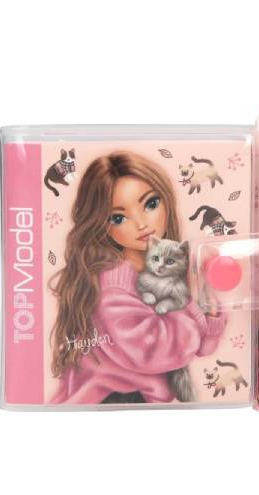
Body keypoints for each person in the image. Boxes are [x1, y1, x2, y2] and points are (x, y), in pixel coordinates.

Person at [48, 151, 226, 404]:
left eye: (151, 204)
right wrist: (190, 301)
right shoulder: (113, 287)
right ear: (101, 225)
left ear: (166, 199)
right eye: (118, 218)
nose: (142, 224)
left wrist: (206, 300)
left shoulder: (170, 263)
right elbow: (160, 351)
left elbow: (203, 347)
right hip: (114, 401)